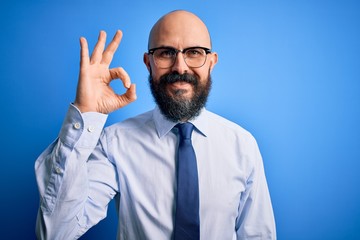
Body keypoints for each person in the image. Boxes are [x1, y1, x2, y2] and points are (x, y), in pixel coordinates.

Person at [35, 10, 276, 240]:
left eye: (194, 52)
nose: (180, 67)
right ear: (148, 62)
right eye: (166, 53)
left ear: (211, 62)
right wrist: (85, 113)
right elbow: (55, 232)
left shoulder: (243, 145)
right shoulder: (115, 143)